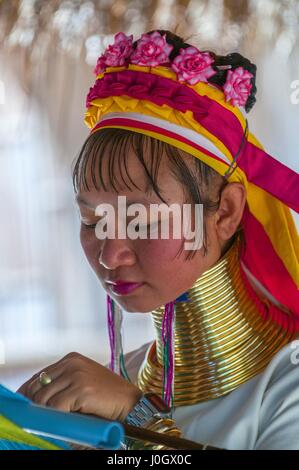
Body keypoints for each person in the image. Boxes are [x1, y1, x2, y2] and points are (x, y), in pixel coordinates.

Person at [17, 29, 299, 450]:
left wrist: (138, 419)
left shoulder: (287, 385)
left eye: (143, 222)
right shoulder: (116, 380)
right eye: (93, 221)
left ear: (225, 211)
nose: (111, 254)